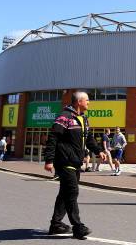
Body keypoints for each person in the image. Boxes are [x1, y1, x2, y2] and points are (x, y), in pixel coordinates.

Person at [44, 91, 107, 239]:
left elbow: (89, 139)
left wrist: (99, 151)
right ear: (79, 102)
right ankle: (78, 227)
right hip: (64, 161)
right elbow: (53, 138)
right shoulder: (64, 117)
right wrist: (49, 160)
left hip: (76, 162)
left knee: (64, 193)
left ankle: (56, 224)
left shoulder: (84, 119)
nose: (89, 103)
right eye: (87, 100)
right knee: (72, 192)